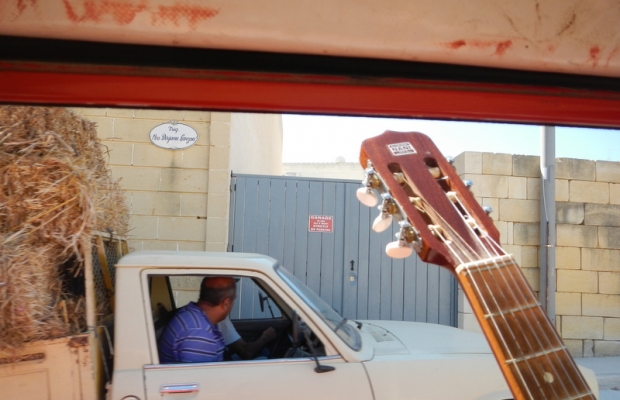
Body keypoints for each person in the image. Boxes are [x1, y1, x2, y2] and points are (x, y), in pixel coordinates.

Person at [158, 276, 236, 363]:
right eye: (233, 300)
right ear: (226, 303)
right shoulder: (199, 332)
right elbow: (200, 372)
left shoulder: (191, 314)